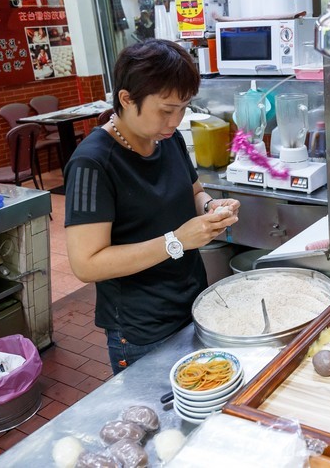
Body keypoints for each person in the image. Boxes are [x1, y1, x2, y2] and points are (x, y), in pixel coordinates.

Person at [64, 39, 240, 375]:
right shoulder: (93, 163)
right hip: (141, 326)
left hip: (192, 302)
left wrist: (211, 208)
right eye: (166, 109)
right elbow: (86, 264)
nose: (176, 120)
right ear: (127, 99)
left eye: (184, 108)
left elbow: (194, 192)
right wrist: (176, 241)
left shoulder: (167, 138)